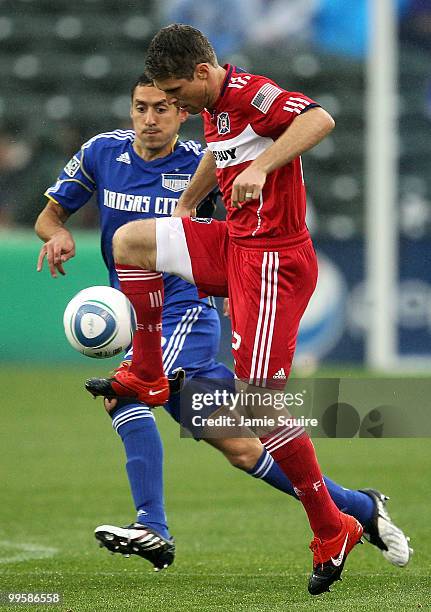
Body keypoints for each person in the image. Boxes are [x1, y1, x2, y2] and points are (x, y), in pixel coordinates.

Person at [36, 73, 411, 582]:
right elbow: (49, 215)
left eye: (161, 109)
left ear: (181, 113)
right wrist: (56, 234)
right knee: (243, 447)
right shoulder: (102, 152)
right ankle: (358, 507)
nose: (150, 118)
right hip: (138, 315)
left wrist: (241, 288)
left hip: (187, 314)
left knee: (126, 394)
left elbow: (237, 231)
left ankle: (152, 524)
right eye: (141, 107)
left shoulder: (201, 160)